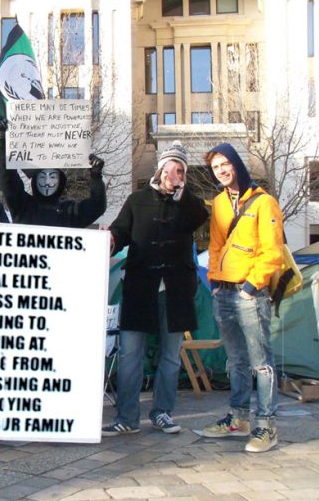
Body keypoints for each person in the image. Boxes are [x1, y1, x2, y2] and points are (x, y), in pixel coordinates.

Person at [101, 141, 207, 437]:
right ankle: (127, 417)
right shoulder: (137, 200)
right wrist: (110, 240)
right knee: (130, 354)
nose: (177, 174)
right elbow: (121, 231)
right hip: (139, 289)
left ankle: (163, 412)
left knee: (170, 357)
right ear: (160, 168)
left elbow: (201, 217)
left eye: (182, 170)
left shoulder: (188, 204)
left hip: (175, 293)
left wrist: (180, 191)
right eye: (173, 168)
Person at [201, 142, 283, 453]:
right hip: (224, 292)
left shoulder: (265, 203)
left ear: (236, 164)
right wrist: (214, 281)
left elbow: (272, 251)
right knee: (235, 360)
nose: (221, 171)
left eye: (225, 164)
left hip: (251, 293)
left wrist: (251, 286)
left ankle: (266, 425)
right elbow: (216, 245)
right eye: (215, 167)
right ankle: (238, 419)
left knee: (261, 363)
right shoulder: (220, 204)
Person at [0, 119, 106, 227]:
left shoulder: (71, 212)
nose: (47, 182)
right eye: (42, 177)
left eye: (52, 177)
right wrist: (4, 143)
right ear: (35, 180)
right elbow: (8, 181)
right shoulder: (23, 206)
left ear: (60, 181)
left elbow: (97, 206)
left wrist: (96, 177)